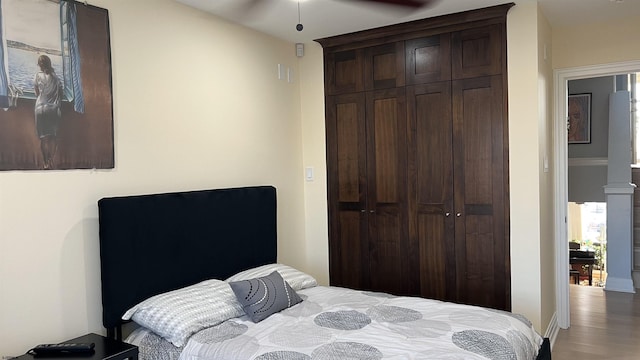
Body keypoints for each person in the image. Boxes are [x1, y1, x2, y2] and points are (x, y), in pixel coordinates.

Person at [34, 54, 62, 169]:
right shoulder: (56, 78)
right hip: (53, 109)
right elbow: (61, 94)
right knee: (53, 137)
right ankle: (51, 159)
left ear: (40, 65)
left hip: (40, 108)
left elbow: (36, 93)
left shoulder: (37, 76)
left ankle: (45, 162)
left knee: (43, 138)